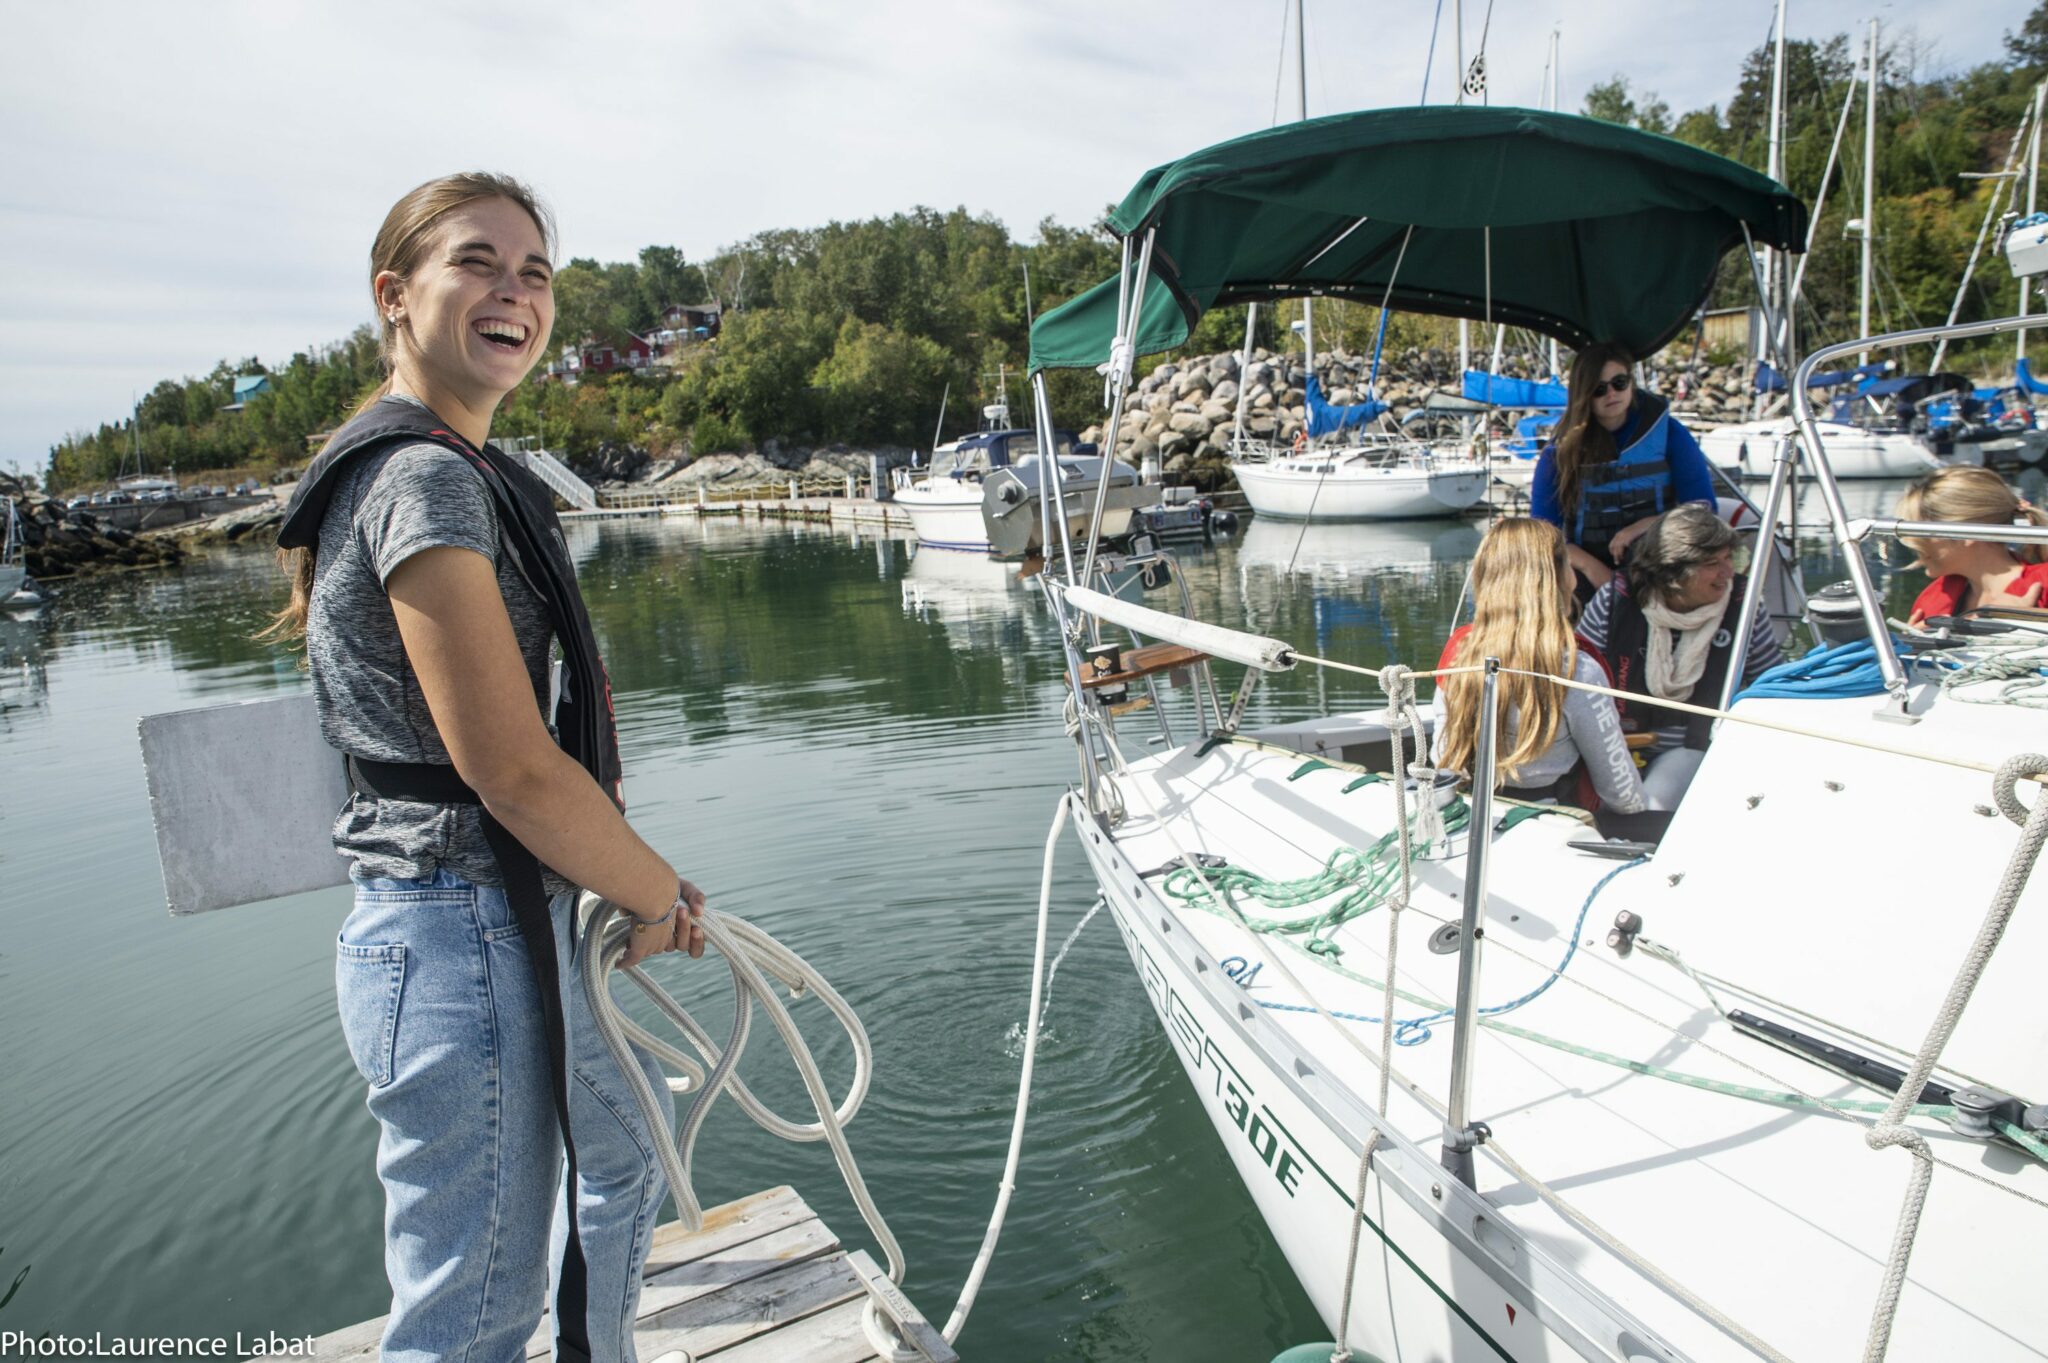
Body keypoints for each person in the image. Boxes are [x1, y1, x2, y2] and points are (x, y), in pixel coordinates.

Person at [263, 173, 701, 1363]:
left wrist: (608, 882)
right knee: (474, 1308)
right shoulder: (424, 479)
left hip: (510, 912)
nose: (514, 291)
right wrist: (654, 890)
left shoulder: (430, 467)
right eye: (477, 263)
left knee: (621, 1149)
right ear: (394, 296)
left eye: (535, 272)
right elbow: (508, 767)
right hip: (461, 929)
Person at [1434, 518, 1661, 839]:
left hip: (1469, 824)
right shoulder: (1576, 672)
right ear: (1557, 579)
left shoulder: (1459, 659)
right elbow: (1623, 796)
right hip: (1553, 828)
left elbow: (1440, 760)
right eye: (1569, 568)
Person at [1577, 503, 1784, 809]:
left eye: (1729, 558)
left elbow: (1769, 689)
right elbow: (1578, 683)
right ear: (1672, 571)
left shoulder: (1743, 606)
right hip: (1614, 747)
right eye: (1713, 563)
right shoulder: (1615, 602)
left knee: (1651, 807)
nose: (1727, 573)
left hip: (1696, 747)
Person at [1530, 342, 1717, 596]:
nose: (1611, 394)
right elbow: (1543, 535)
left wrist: (1640, 527)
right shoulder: (1558, 453)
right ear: (1583, 394)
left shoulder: (1670, 433)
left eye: (1619, 382)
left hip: (1656, 556)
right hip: (1585, 565)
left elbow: (1704, 507)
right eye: (1598, 389)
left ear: (1631, 383)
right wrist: (1592, 568)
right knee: (1567, 591)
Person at [1895, 465, 2048, 625]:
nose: (1913, 543)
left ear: (1966, 533)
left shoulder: (2044, 585)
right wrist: (1913, 644)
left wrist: (2030, 623)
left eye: (1922, 533)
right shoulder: (1934, 597)